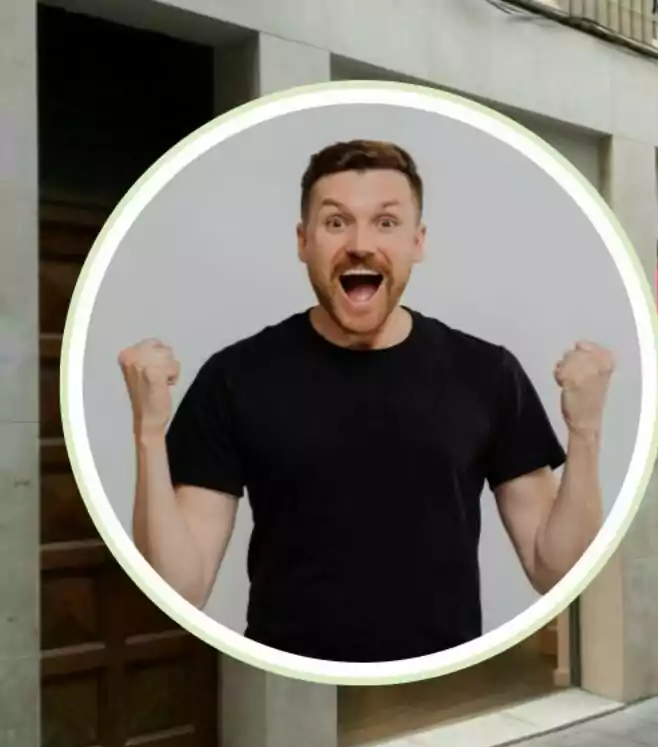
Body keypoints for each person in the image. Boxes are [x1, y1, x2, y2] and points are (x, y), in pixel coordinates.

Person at [117, 139, 615, 663]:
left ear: (417, 241)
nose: (359, 244)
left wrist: (585, 432)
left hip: (440, 679)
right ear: (303, 241)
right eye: (335, 223)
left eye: (386, 223)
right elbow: (180, 588)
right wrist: (148, 433)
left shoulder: (487, 373)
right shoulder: (235, 378)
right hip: (289, 675)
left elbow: (554, 568)